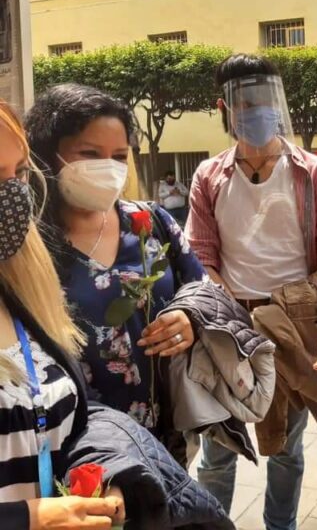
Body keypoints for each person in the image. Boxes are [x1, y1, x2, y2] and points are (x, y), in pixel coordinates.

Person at [185, 54, 317, 528]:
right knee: (219, 449)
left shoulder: (312, 173)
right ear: (225, 107)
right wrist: (232, 316)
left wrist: (284, 311)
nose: (257, 112)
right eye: (245, 103)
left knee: (287, 449)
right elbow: (204, 257)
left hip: (293, 329)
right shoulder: (208, 177)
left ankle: (283, 526)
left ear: (279, 103)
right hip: (227, 328)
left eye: (265, 101)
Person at [24, 84, 207, 455]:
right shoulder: (28, 248)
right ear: (48, 156)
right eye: (90, 154)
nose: (108, 168)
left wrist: (190, 316)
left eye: (119, 156)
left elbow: (202, 288)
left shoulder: (150, 222)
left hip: (168, 436)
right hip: (79, 449)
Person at [0, 101, 125, 529]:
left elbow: (71, 410)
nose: (13, 194)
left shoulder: (22, 292)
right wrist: (26, 518)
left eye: (17, 174)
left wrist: (103, 468)